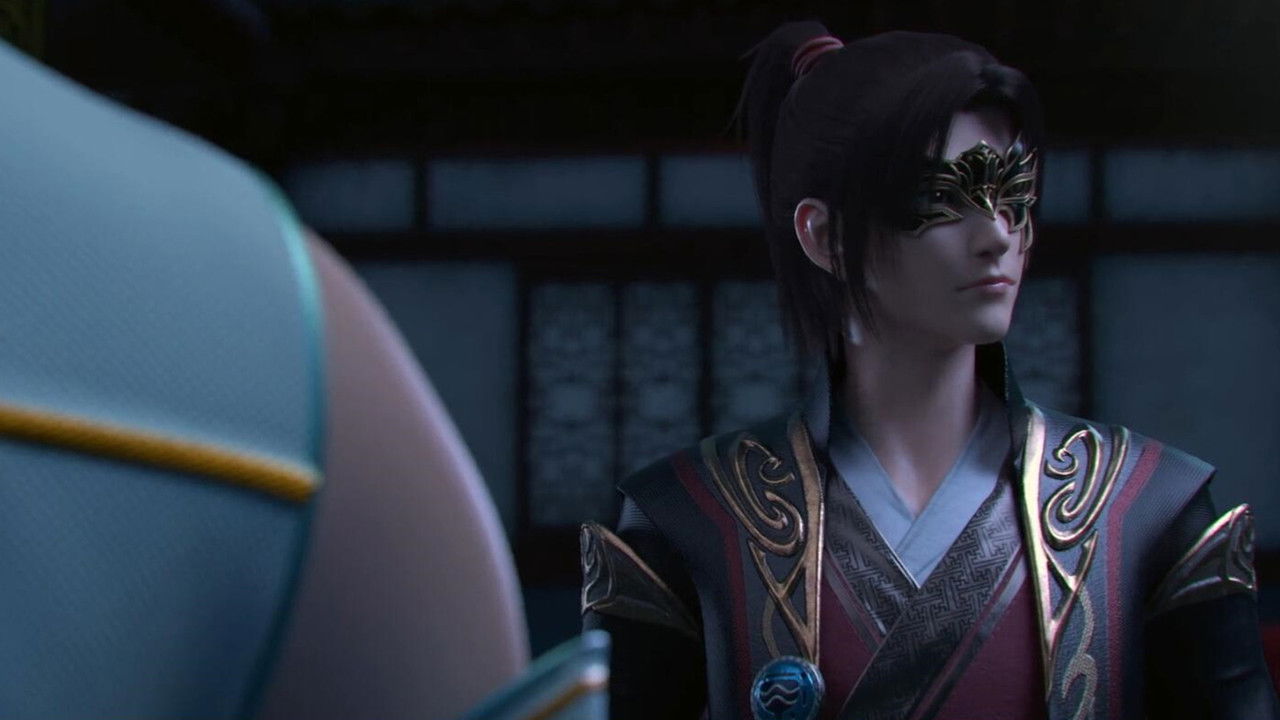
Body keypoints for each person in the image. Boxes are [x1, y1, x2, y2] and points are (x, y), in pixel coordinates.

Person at [580, 21, 1279, 720]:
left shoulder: (1146, 506)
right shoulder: (691, 517)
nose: (997, 235)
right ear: (825, 236)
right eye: (944, 199)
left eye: (1013, 194)